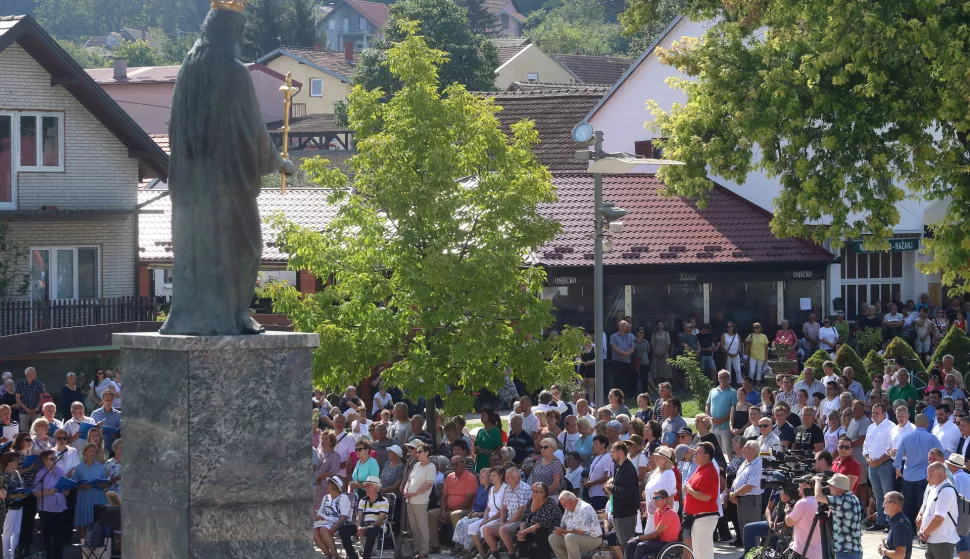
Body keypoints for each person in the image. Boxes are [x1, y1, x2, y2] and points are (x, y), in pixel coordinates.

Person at [428, 455, 477, 550]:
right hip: (448, 509)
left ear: (464, 464)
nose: (454, 466)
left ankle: (458, 546)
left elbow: (469, 499)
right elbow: (444, 496)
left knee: (454, 514)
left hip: (465, 510)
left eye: (457, 464)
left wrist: (451, 512)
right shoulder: (450, 477)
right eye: (452, 464)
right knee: (431, 514)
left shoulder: (471, 477)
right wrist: (443, 512)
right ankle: (435, 545)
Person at [683, 441, 720, 559]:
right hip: (698, 518)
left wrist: (689, 490)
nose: (695, 454)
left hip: (704, 517)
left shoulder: (709, 471)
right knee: (699, 553)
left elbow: (706, 496)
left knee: (703, 554)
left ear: (706, 456)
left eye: (698, 452)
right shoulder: (701, 468)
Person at [32, 449, 69, 559]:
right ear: (44, 460)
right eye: (51, 459)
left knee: (59, 539)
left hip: (60, 508)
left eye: (55, 458)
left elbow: (66, 487)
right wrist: (48, 492)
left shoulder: (60, 471)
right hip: (47, 510)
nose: (54, 460)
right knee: (47, 539)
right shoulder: (41, 474)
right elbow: (35, 492)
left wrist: (67, 490)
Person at [865, 402, 896, 531]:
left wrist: (879, 461)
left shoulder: (891, 427)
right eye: (873, 412)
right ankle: (881, 520)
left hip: (885, 464)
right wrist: (868, 458)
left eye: (877, 413)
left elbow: (891, 447)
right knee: (877, 495)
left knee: (888, 494)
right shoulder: (870, 427)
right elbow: (866, 446)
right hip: (872, 465)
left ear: (884, 414)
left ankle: (890, 522)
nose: (874, 415)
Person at [919, 462, 960, 559]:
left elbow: (938, 519)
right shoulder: (934, 489)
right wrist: (922, 529)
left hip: (942, 540)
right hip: (931, 538)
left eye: (930, 475)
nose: (927, 478)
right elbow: (927, 512)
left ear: (941, 474)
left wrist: (925, 532)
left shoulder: (946, 490)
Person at [403, 441, 436, 558]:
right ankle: (417, 549)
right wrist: (406, 490)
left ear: (426, 453)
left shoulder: (431, 467)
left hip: (420, 501)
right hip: (410, 500)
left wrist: (414, 493)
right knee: (413, 526)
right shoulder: (416, 465)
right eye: (416, 452)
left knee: (422, 526)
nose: (417, 454)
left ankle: (424, 551)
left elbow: (428, 484)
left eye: (420, 452)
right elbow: (409, 479)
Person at [625, 489, 680, 559]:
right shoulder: (657, 512)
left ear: (665, 500)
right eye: (654, 498)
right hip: (659, 541)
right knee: (631, 543)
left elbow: (655, 534)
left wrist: (638, 537)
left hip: (668, 544)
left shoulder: (669, 513)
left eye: (657, 498)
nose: (654, 500)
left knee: (641, 546)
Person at [548, 491, 602, 559]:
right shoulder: (568, 508)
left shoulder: (585, 508)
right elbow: (563, 525)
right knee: (553, 538)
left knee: (570, 537)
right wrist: (559, 530)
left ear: (570, 501)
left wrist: (563, 532)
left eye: (564, 505)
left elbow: (581, 532)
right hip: (576, 538)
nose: (563, 507)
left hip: (593, 538)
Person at [71, 443, 108, 542]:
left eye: (94, 451)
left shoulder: (100, 467)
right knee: (84, 522)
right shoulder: (79, 468)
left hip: (97, 496)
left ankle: (98, 548)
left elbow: (105, 482)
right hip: (84, 496)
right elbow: (73, 484)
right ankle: (84, 549)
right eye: (90, 451)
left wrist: (102, 485)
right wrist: (81, 486)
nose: (93, 453)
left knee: (97, 523)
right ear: (85, 453)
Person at [515, 481, 562, 559]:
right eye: (532, 491)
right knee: (519, 530)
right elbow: (524, 518)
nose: (533, 493)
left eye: (536, 491)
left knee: (541, 531)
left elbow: (541, 523)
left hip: (549, 529)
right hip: (532, 529)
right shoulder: (531, 501)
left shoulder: (550, 504)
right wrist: (522, 531)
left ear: (543, 494)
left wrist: (525, 531)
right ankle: (523, 556)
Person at [730, 440, 763, 545]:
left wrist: (734, 494)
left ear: (753, 450)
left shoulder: (758, 464)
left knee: (751, 527)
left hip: (751, 499)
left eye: (746, 448)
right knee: (743, 527)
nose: (743, 449)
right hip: (741, 499)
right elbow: (737, 479)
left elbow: (750, 485)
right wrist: (733, 493)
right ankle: (747, 552)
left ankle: (753, 554)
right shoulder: (745, 462)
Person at [453, 468, 492, 557]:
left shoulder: (492, 489)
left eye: (483, 477)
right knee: (461, 523)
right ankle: (464, 548)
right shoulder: (480, 488)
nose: (480, 479)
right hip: (476, 513)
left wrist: (477, 514)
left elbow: (488, 508)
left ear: (489, 478)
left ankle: (467, 550)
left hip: (484, 515)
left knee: (468, 525)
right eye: (480, 477)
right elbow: (475, 504)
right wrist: (472, 512)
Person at [314, 476, 351, 558]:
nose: (326, 486)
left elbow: (344, 515)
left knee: (323, 529)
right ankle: (329, 556)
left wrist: (335, 525)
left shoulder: (343, 498)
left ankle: (335, 555)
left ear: (334, 486)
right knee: (313, 531)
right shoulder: (326, 497)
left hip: (338, 523)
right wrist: (319, 516)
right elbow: (320, 512)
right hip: (325, 522)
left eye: (328, 484)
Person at [785, 480, 822, 559]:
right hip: (819, 553)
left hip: (801, 552)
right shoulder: (823, 502)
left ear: (807, 487)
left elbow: (788, 522)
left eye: (800, 487)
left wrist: (788, 510)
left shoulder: (803, 503)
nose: (798, 489)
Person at [706, 370, 737, 456]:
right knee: (715, 451)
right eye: (720, 377)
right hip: (713, 426)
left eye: (724, 377)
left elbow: (733, 409)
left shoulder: (733, 392)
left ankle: (728, 468)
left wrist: (723, 419)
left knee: (727, 451)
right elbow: (707, 406)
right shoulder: (712, 391)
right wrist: (710, 418)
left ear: (729, 378)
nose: (722, 379)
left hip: (725, 426)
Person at [879, 491, 913, 559]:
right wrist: (886, 548)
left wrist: (884, 550)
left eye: (885, 503)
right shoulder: (897, 521)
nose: (883, 506)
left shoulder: (899, 525)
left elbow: (899, 555)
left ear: (893, 504)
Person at [14, 368, 45, 435]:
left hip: (36, 412)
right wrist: (27, 409)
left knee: (37, 431)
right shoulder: (20, 384)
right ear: (27, 374)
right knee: (24, 432)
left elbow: (41, 397)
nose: (35, 374)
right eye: (33, 372)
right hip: (23, 412)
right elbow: (17, 398)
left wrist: (36, 408)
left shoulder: (38, 383)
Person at [91, 389, 121, 457]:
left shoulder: (118, 414)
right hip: (98, 449)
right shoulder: (95, 414)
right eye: (106, 400)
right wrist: (97, 427)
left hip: (114, 448)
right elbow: (90, 432)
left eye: (110, 400)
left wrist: (118, 435)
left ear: (113, 400)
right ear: (102, 399)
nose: (108, 402)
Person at [650, 321, 673, 386]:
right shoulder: (654, 334)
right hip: (656, 354)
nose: (660, 326)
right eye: (659, 325)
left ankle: (667, 385)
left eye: (661, 325)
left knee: (666, 368)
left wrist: (664, 353)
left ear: (663, 326)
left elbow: (668, 344)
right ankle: (658, 385)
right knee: (657, 369)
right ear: (657, 326)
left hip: (664, 353)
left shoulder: (666, 333)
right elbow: (652, 344)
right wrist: (656, 353)